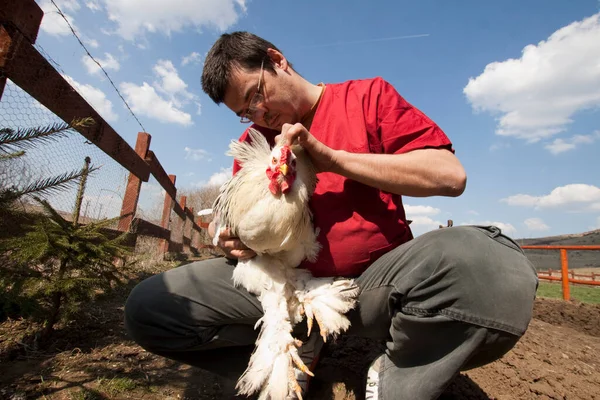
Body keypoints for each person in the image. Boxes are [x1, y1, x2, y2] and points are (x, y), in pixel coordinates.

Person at [124, 31, 539, 399]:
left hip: (374, 287)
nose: (258, 115)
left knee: (489, 262)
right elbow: (243, 232)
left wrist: (334, 160)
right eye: (245, 111)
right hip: (289, 287)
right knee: (151, 307)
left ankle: (391, 380)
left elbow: (450, 176)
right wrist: (236, 244)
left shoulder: (368, 97)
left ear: (277, 60)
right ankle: (302, 369)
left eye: (255, 95)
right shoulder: (255, 143)